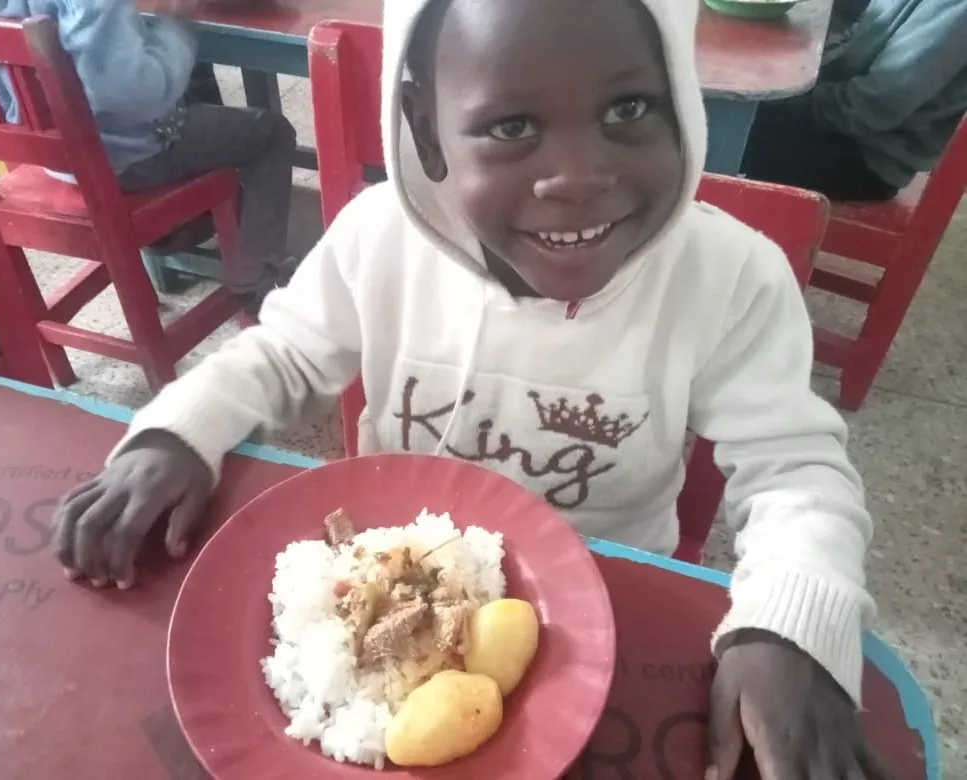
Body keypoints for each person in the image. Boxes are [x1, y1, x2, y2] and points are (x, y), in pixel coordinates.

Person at [52, 0, 890, 777]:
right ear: (425, 129)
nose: (577, 175)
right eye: (512, 125)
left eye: (627, 109)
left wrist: (789, 623)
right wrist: (174, 432)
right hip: (381, 607)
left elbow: (794, 472)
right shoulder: (377, 240)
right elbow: (281, 358)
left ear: (680, 94)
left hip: (608, 604)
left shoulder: (729, 277)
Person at [0, 0, 297, 312]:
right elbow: (139, 94)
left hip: (52, 156)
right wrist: (175, 26)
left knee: (185, 90)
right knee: (270, 133)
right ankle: (256, 279)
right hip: (128, 154)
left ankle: (181, 237)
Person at [743, 0, 967, 201]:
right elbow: (856, 36)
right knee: (733, 108)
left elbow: (875, 106)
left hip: (867, 157)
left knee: (725, 131)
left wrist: (785, 100)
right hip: (844, 121)